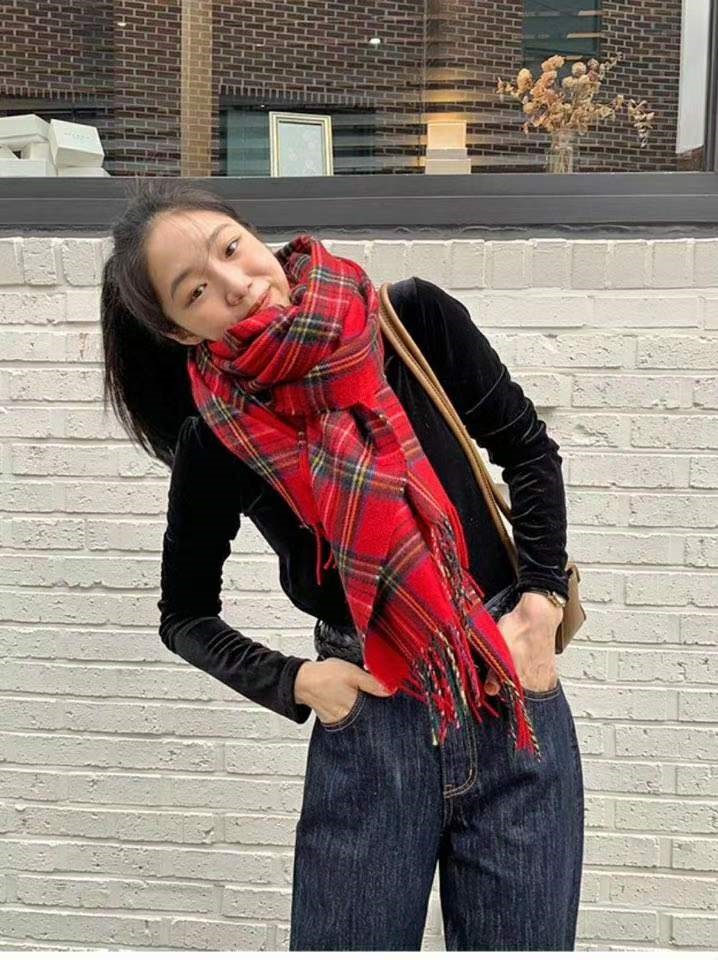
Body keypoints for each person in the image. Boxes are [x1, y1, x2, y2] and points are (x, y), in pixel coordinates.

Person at [100, 178, 584, 950]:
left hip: (507, 695)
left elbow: (527, 450)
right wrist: (299, 683)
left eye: (232, 249)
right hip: (372, 729)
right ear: (180, 330)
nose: (235, 283)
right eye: (196, 291)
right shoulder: (219, 435)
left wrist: (540, 603)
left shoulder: (410, 320)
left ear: (255, 236)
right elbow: (185, 615)